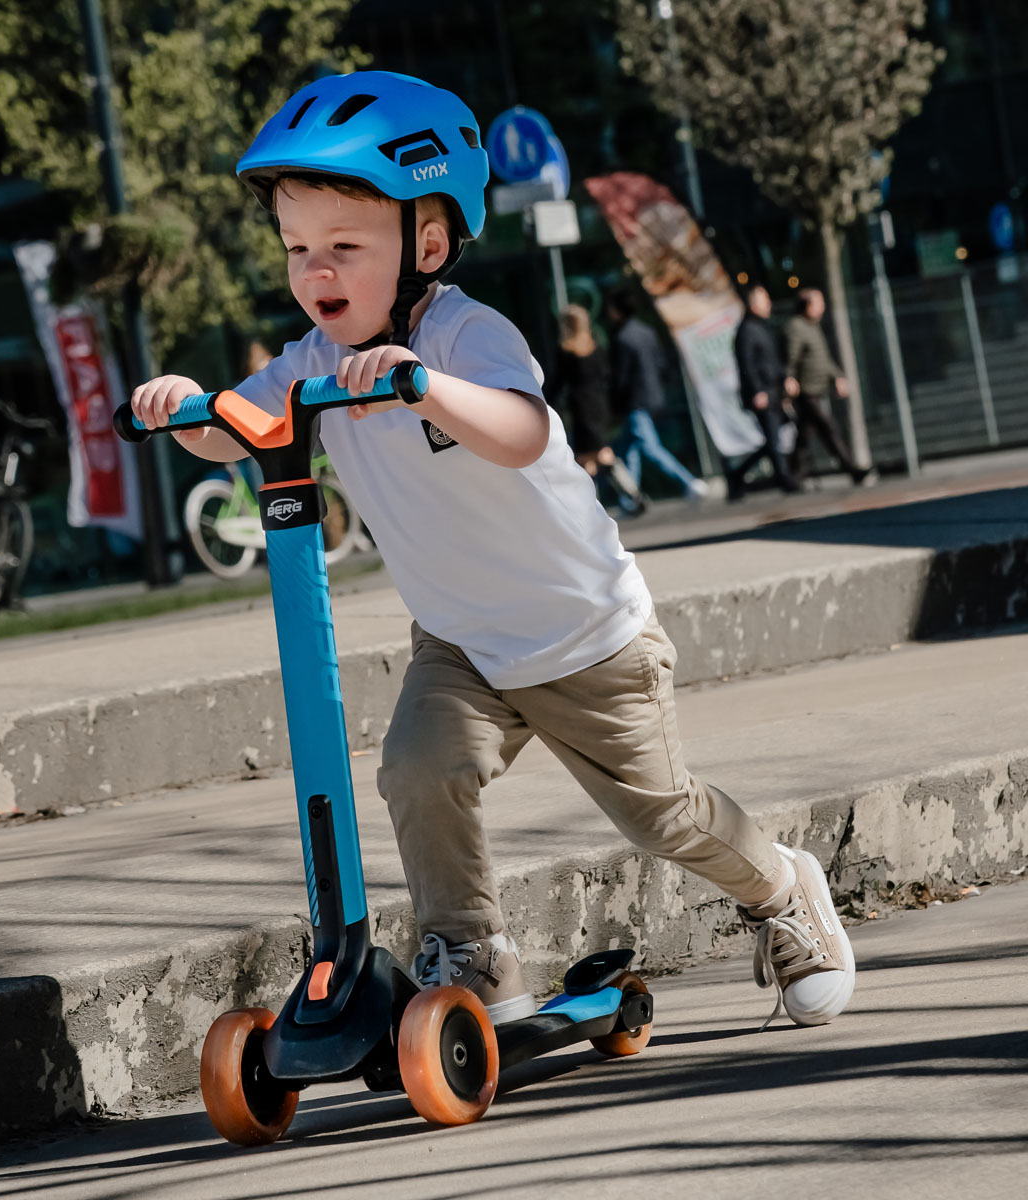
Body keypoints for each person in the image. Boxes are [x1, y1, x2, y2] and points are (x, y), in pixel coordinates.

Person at [131, 71, 854, 1032]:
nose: (316, 271)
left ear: (427, 243)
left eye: (345, 246)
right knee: (418, 770)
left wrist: (420, 384)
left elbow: (519, 431)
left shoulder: (471, 335)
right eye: (298, 247)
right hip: (463, 645)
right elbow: (243, 427)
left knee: (662, 816)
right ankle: (470, 952)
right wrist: (186, 409)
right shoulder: (311, 360)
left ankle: (783, 890)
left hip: (587, 637)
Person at [605, 286, 710, 506]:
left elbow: (621, 378)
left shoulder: (622, 338)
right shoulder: (647, 332)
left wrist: (614, 404)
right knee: (630, 450)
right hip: (653, 397)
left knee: (649, 448)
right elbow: (661, 364)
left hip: (635, 401)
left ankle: (688, 482)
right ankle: (630, 500)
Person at [550, 303, 646, 514]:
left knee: (600, 456)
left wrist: (546, 403)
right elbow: (606, 377)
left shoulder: (566, 351)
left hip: (582, 407)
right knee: (588, 460)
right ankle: (593, 505)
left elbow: (557, 383)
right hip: (599, 405)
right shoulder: (596, 347)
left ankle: (632, 495)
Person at [785, 288, 874, 486]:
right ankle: (851, 469)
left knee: (804, 436)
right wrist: (789, 377)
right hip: (806, 390)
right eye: (819, 303)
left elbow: (823, 359)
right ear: (807, 305)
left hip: (817, 388)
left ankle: (792, 476)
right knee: (828, 427)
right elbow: (791, 356)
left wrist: (838, 377)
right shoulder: (796, 327)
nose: (822, 307)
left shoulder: (812, 326)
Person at [728, 284, 801, 500]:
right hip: (763, 394)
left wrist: (785, 380)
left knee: (773, 440)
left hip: (773, 391)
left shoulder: (761, 328)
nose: (769, 303)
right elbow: (748, 365)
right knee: (773, 438)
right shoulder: (747, 330)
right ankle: (784, 479)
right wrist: (758, 391)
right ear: (753, 304)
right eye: (764, 299)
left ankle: (737, 474)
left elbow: (772, 362)